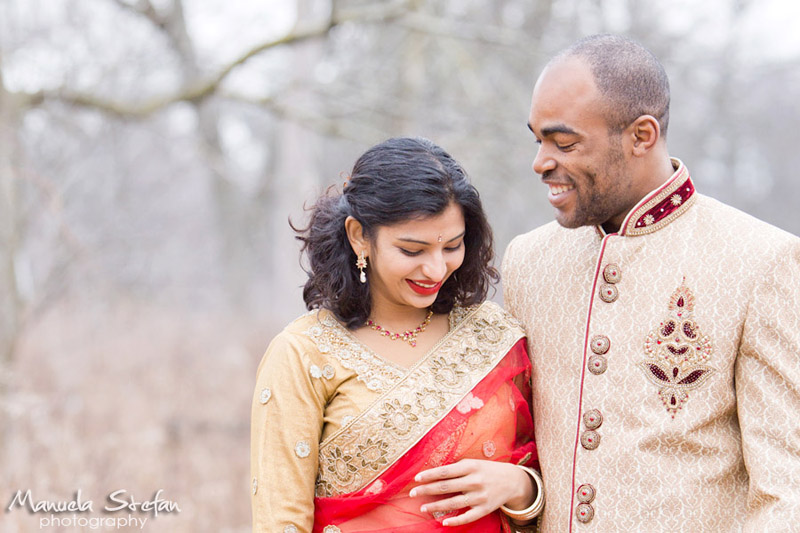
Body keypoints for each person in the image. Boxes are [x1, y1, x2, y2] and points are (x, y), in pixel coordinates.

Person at [502, 34, 800, 532]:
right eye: (538, 140)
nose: (541, 162)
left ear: (642, 136)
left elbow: (786, 491)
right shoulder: (528, 261)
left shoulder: (761, 260)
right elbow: (514, 446)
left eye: (565, 142)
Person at [251, 137, 544, 532]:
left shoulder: (492, 337)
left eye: (452, 246)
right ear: (358, 236)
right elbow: (280, 520)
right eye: (412, 250)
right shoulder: (305, 354)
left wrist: (519, 486)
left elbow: (562, 480)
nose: (437, 269)